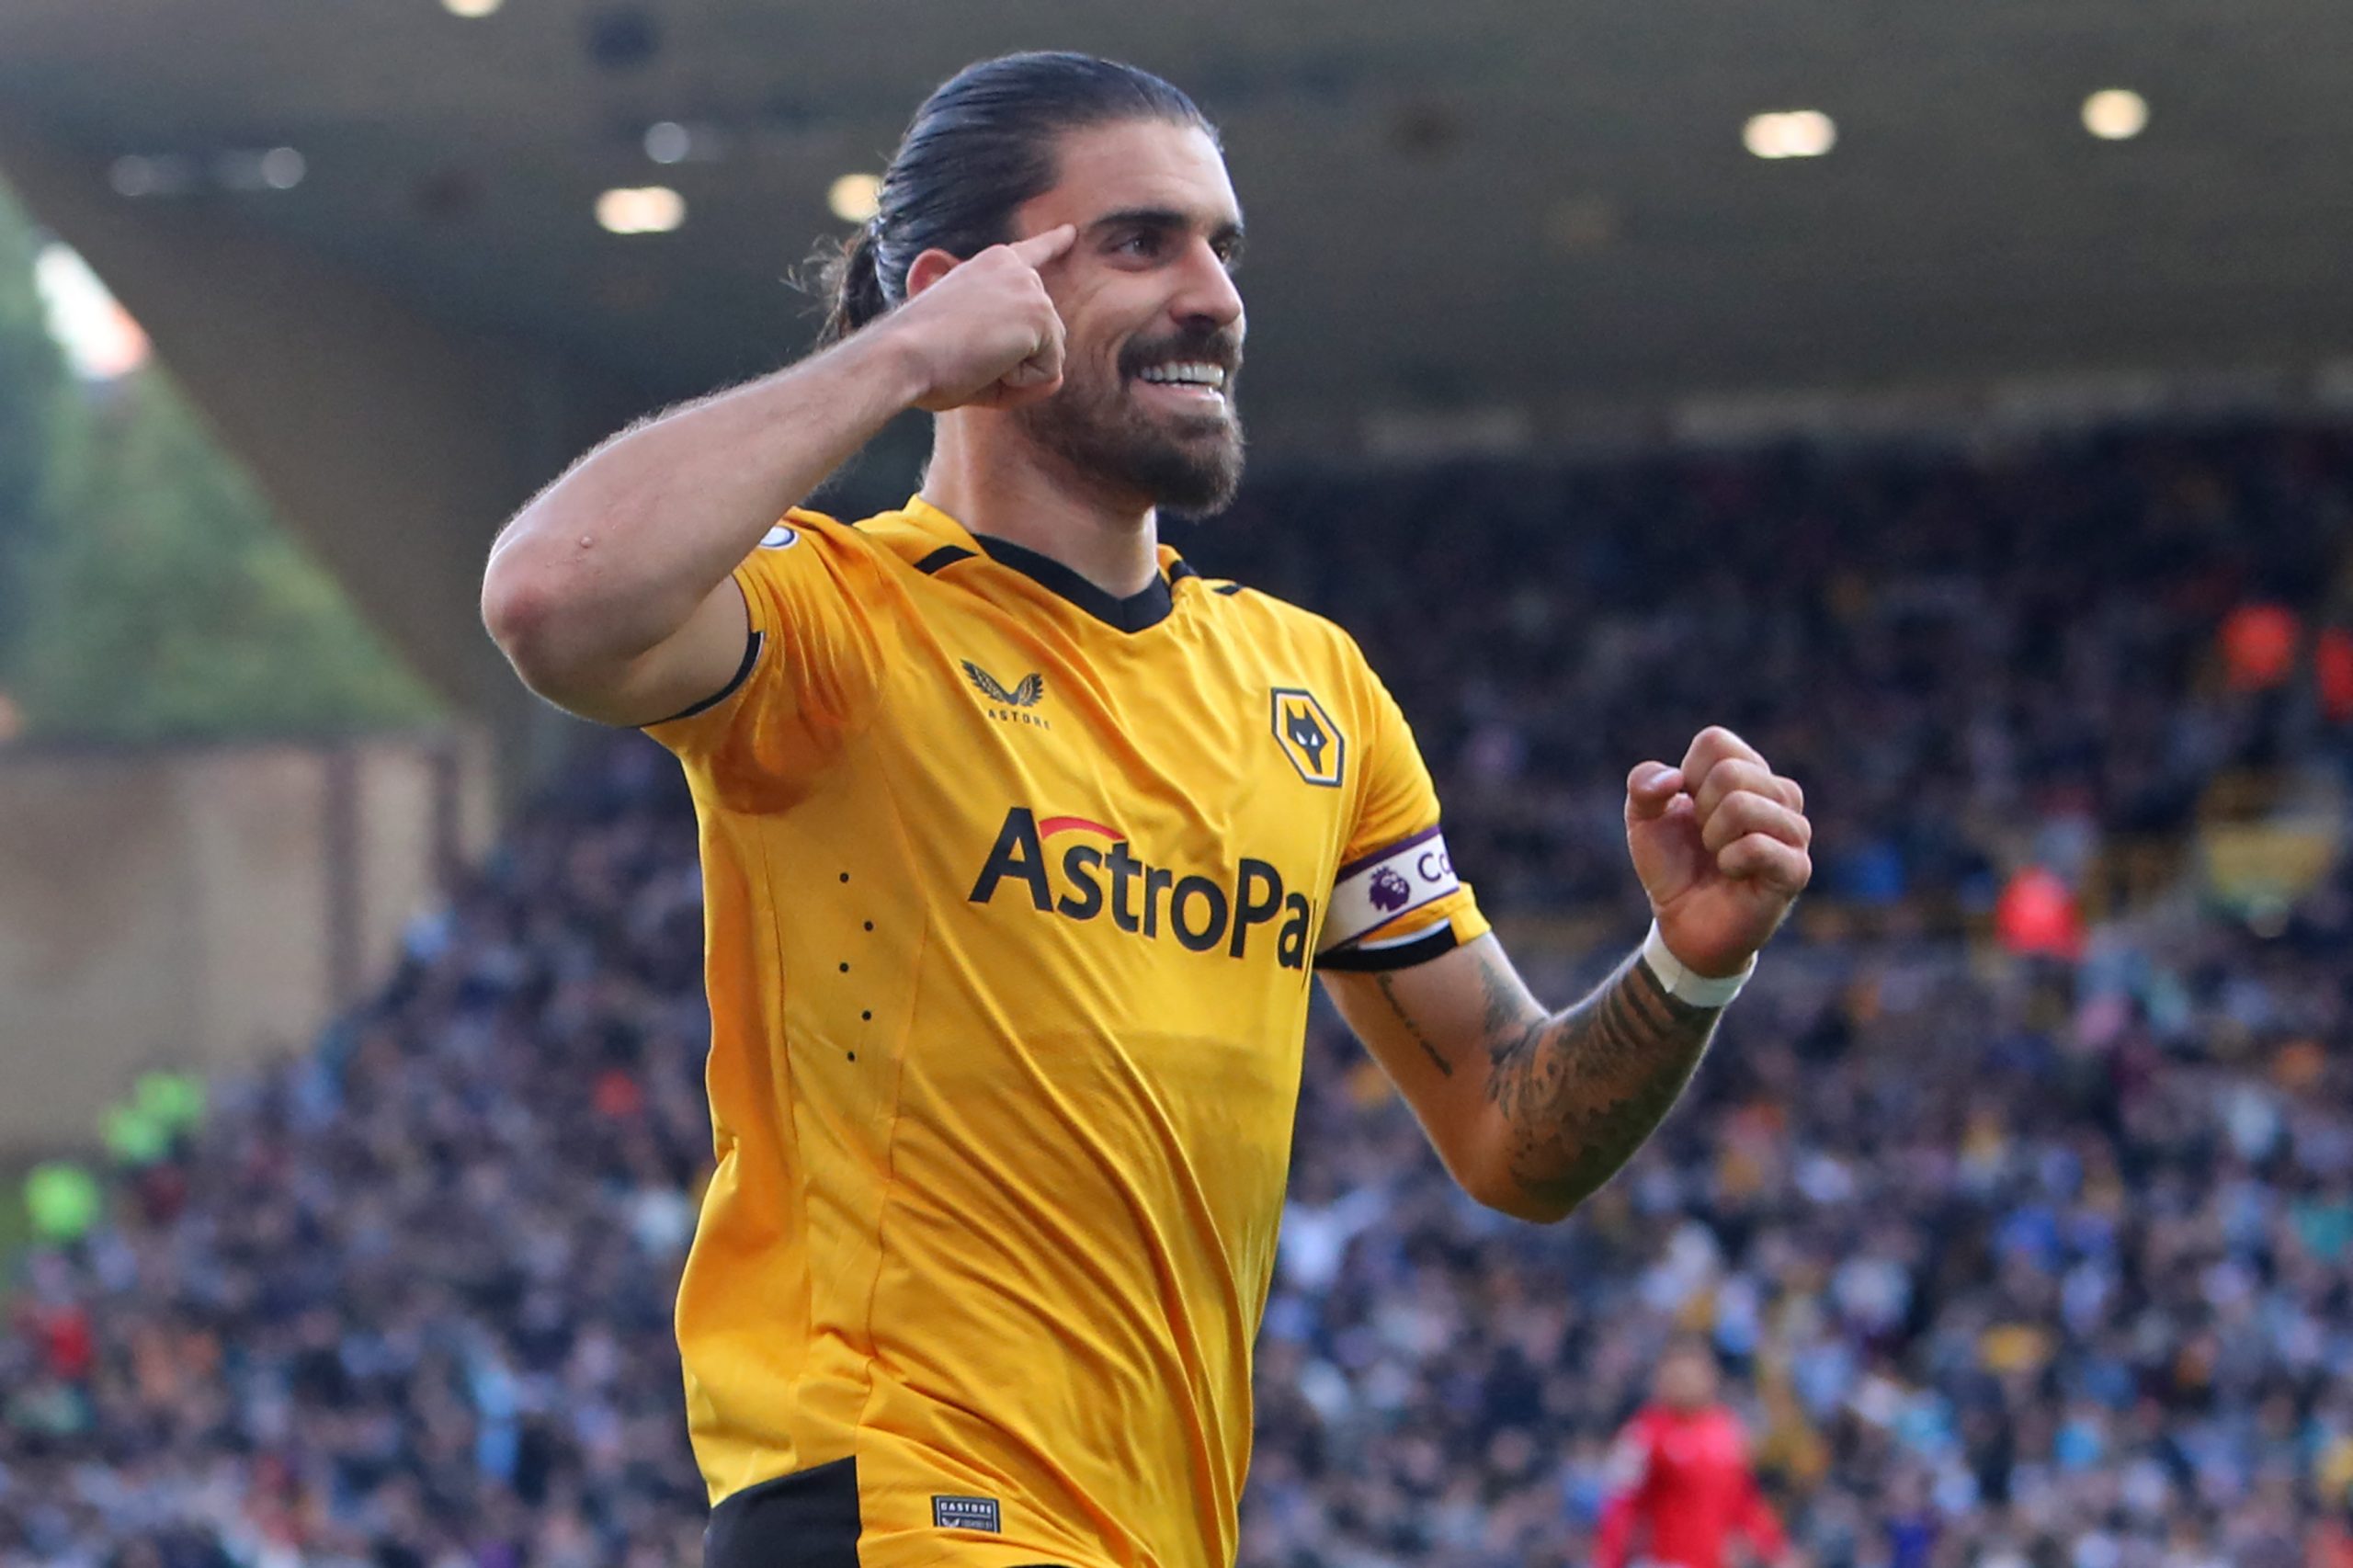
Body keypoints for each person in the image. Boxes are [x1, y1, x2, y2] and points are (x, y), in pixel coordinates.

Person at [480, 50, 1813, 1568]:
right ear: (958, 286)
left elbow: (1514, 1134)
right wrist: (901, 358)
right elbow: (551, 598)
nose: (1214, 296)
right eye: (1140, 241)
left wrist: (1690, 965)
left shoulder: (1309, 688)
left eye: (1221, 248)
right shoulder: (841, 622)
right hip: (898, 1512)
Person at [1594, 1338, 1798, 1568]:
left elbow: (1742, 1502)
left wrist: (1777, 1550)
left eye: (1691, 1375)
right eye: (1677, 1376)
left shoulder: (1727, 1430)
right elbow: (1619, 1509)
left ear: (1710, 1377)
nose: (1684, 1383)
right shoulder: (1644, 1434)